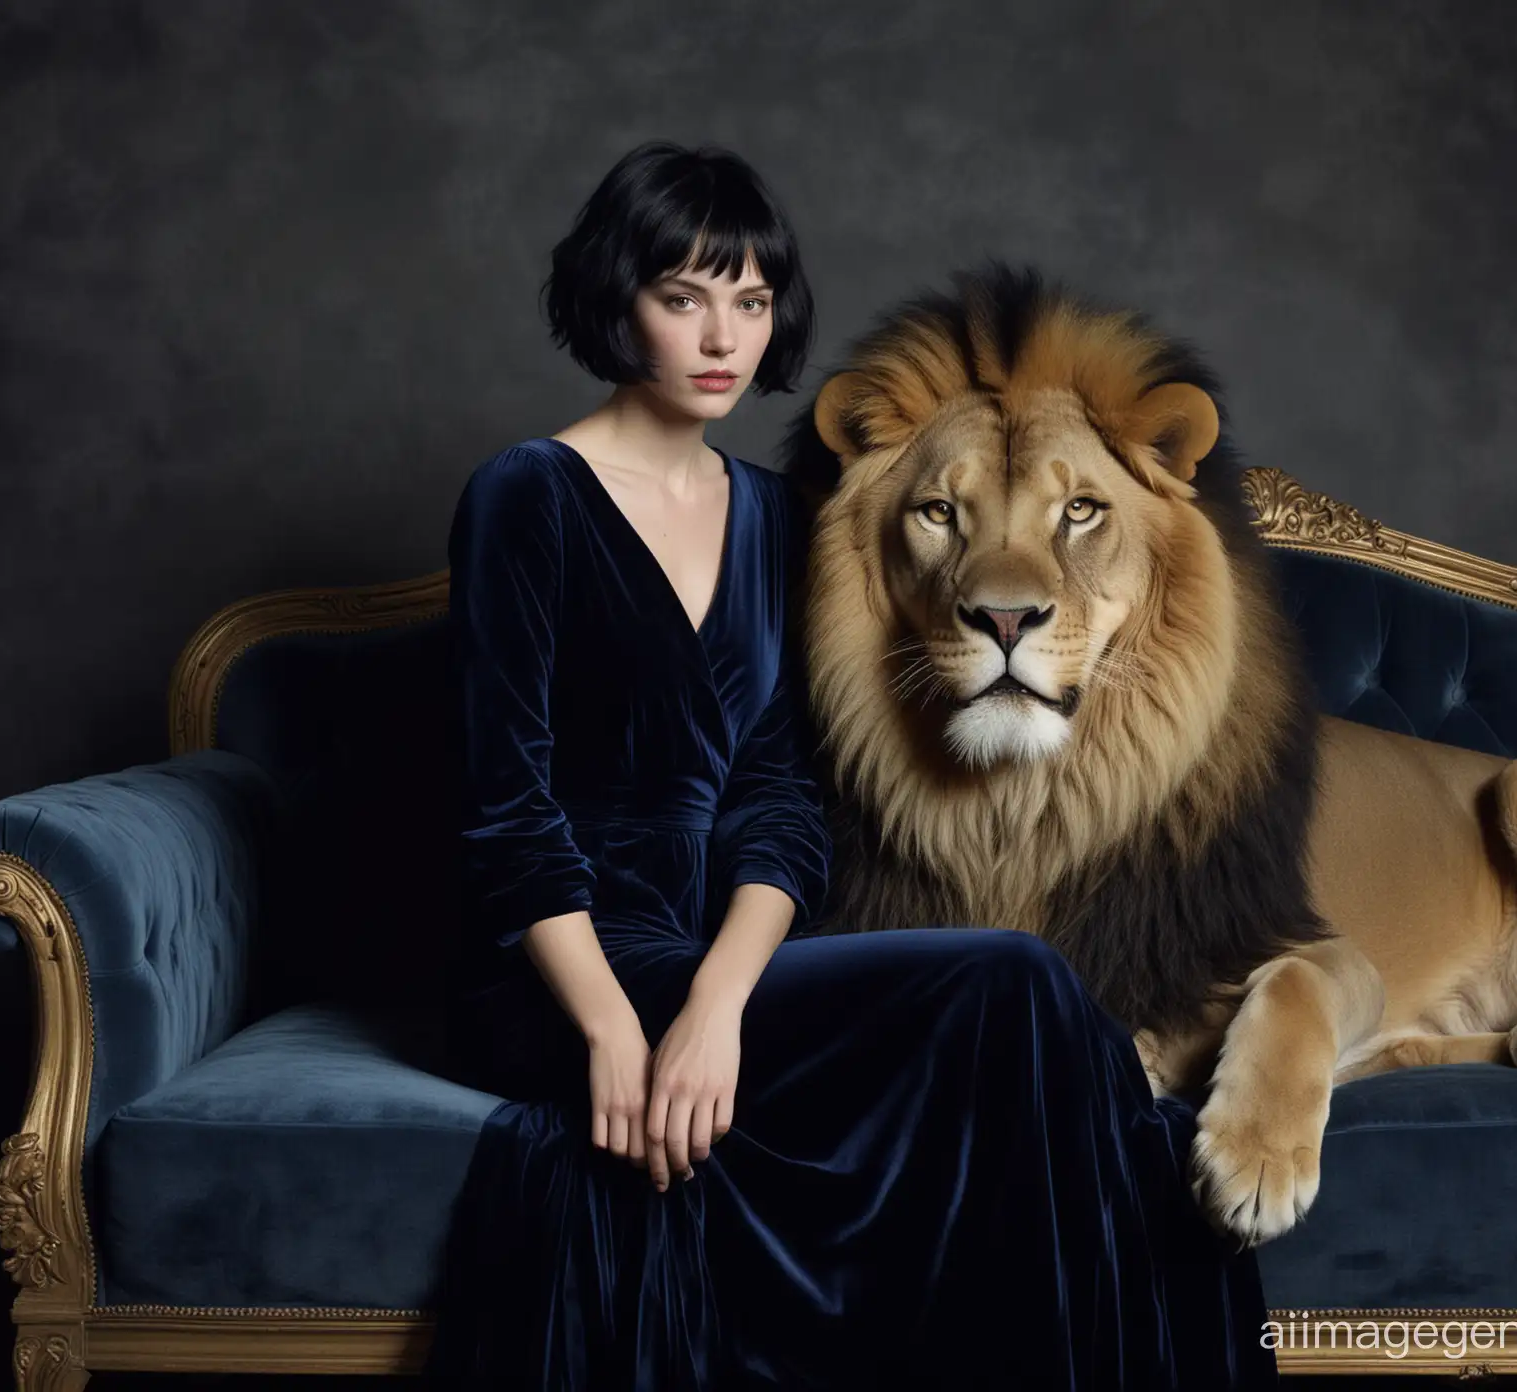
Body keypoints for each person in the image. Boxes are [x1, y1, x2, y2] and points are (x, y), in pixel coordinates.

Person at [423, 140, 1277, 1389]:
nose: (722, 337)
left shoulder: (774, 515)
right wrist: (617, 1029)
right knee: (1015, 989)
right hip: (556, 973)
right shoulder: (526, 495)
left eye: (753, 303)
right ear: (616, 304)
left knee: (1021, 1025)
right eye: (684, 297)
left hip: (716, 959)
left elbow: (779, 802)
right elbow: (507, 811)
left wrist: (716, 1006)